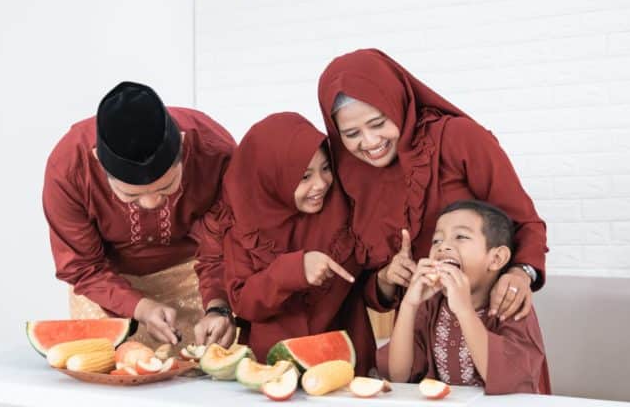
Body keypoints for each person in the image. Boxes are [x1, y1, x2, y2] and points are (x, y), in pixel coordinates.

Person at [318, 48, 548, 322]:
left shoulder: (456, 138)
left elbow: (525, 222)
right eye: (351, 133)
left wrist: (521, 273)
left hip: (487, 317)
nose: (369, 142)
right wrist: (387, 277)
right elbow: (364, 285)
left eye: (378, 123)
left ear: (397, 104)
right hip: (416, 331)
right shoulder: (350, 177)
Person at [43, 81, 236, 348]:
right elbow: (83, 267)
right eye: (131, 195)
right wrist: (139, 307)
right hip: (106, 287)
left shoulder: (215, 151)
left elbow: (222, 244)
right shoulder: (69, 169)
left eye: (167, 188)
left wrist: (218, 306)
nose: (151, 203)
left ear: (182, 146)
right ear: (97, 161)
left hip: (195, 280)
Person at [221, 112, 392, 376]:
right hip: (273, 369)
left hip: (348, 366)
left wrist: (386, 281)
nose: (320, 184)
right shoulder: (244, 226)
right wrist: (294, 270)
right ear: (272, 177)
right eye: (304, 177)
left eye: (325, 168)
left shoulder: (346, 210)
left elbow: (362, 287)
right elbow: (243, 304)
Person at [387, 200, 550, 394]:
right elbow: (399, 376)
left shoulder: (511, 303)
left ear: (496, 258)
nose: (443, 247)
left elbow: (508, 381)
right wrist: (409, 305)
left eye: (461, 237)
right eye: (436, 240)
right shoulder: (430, 305)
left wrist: (464, 310)